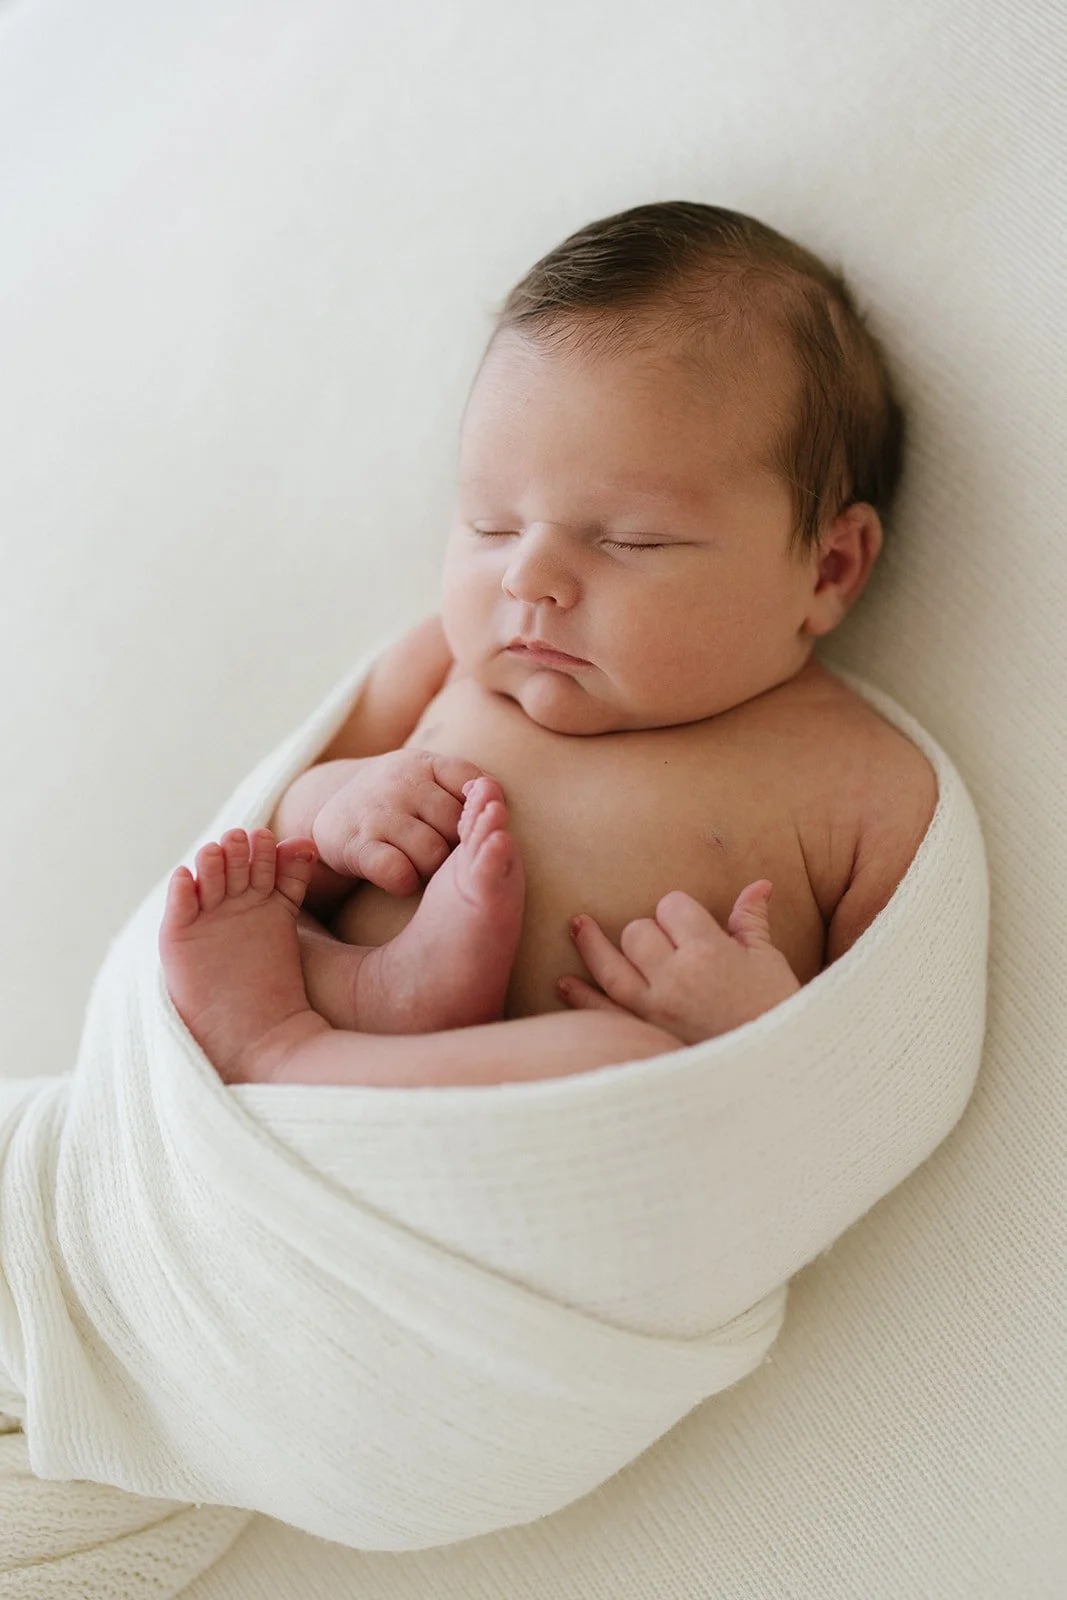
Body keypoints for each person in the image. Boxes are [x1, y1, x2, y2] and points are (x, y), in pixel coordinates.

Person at [158, 201, 938, 1089]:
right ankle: (353, 1007)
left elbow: (891, 1070)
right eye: (489, 526)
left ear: (829, 567)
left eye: (629, 541)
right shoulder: (437, 668)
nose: (527, 579)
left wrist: (758, 1028)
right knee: (237, 914)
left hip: (540, 1133)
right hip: (307, 1020)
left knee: (620, 1058)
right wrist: (339, 811)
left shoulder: (865, 788)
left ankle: (287, 1052)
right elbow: (271, 839)